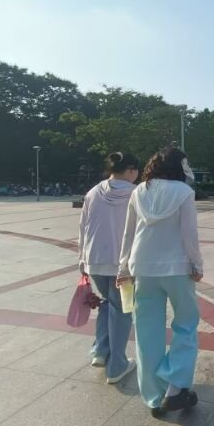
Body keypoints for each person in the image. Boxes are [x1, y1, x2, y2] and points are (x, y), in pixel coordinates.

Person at [117, 147, 203, 417]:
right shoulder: (184, 192)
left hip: (142, 267)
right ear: (179, 166)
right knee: (186, 325)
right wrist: (197, 264)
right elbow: (189, 234)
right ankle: (175, 386)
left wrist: (123, 267)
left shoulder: (138, 192)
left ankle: (154, 397)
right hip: (177, 267)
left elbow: (128, 233)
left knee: (147, 333)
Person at [78, 152, 139, 384]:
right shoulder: (136, 194)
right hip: (123, 265)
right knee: (123, 310)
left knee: (107, 304)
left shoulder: (93, 192)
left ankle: (100, 351)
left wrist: (82, 259)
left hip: (94, 259)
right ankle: (117, 366)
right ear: (131, 170)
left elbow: (83, 226)